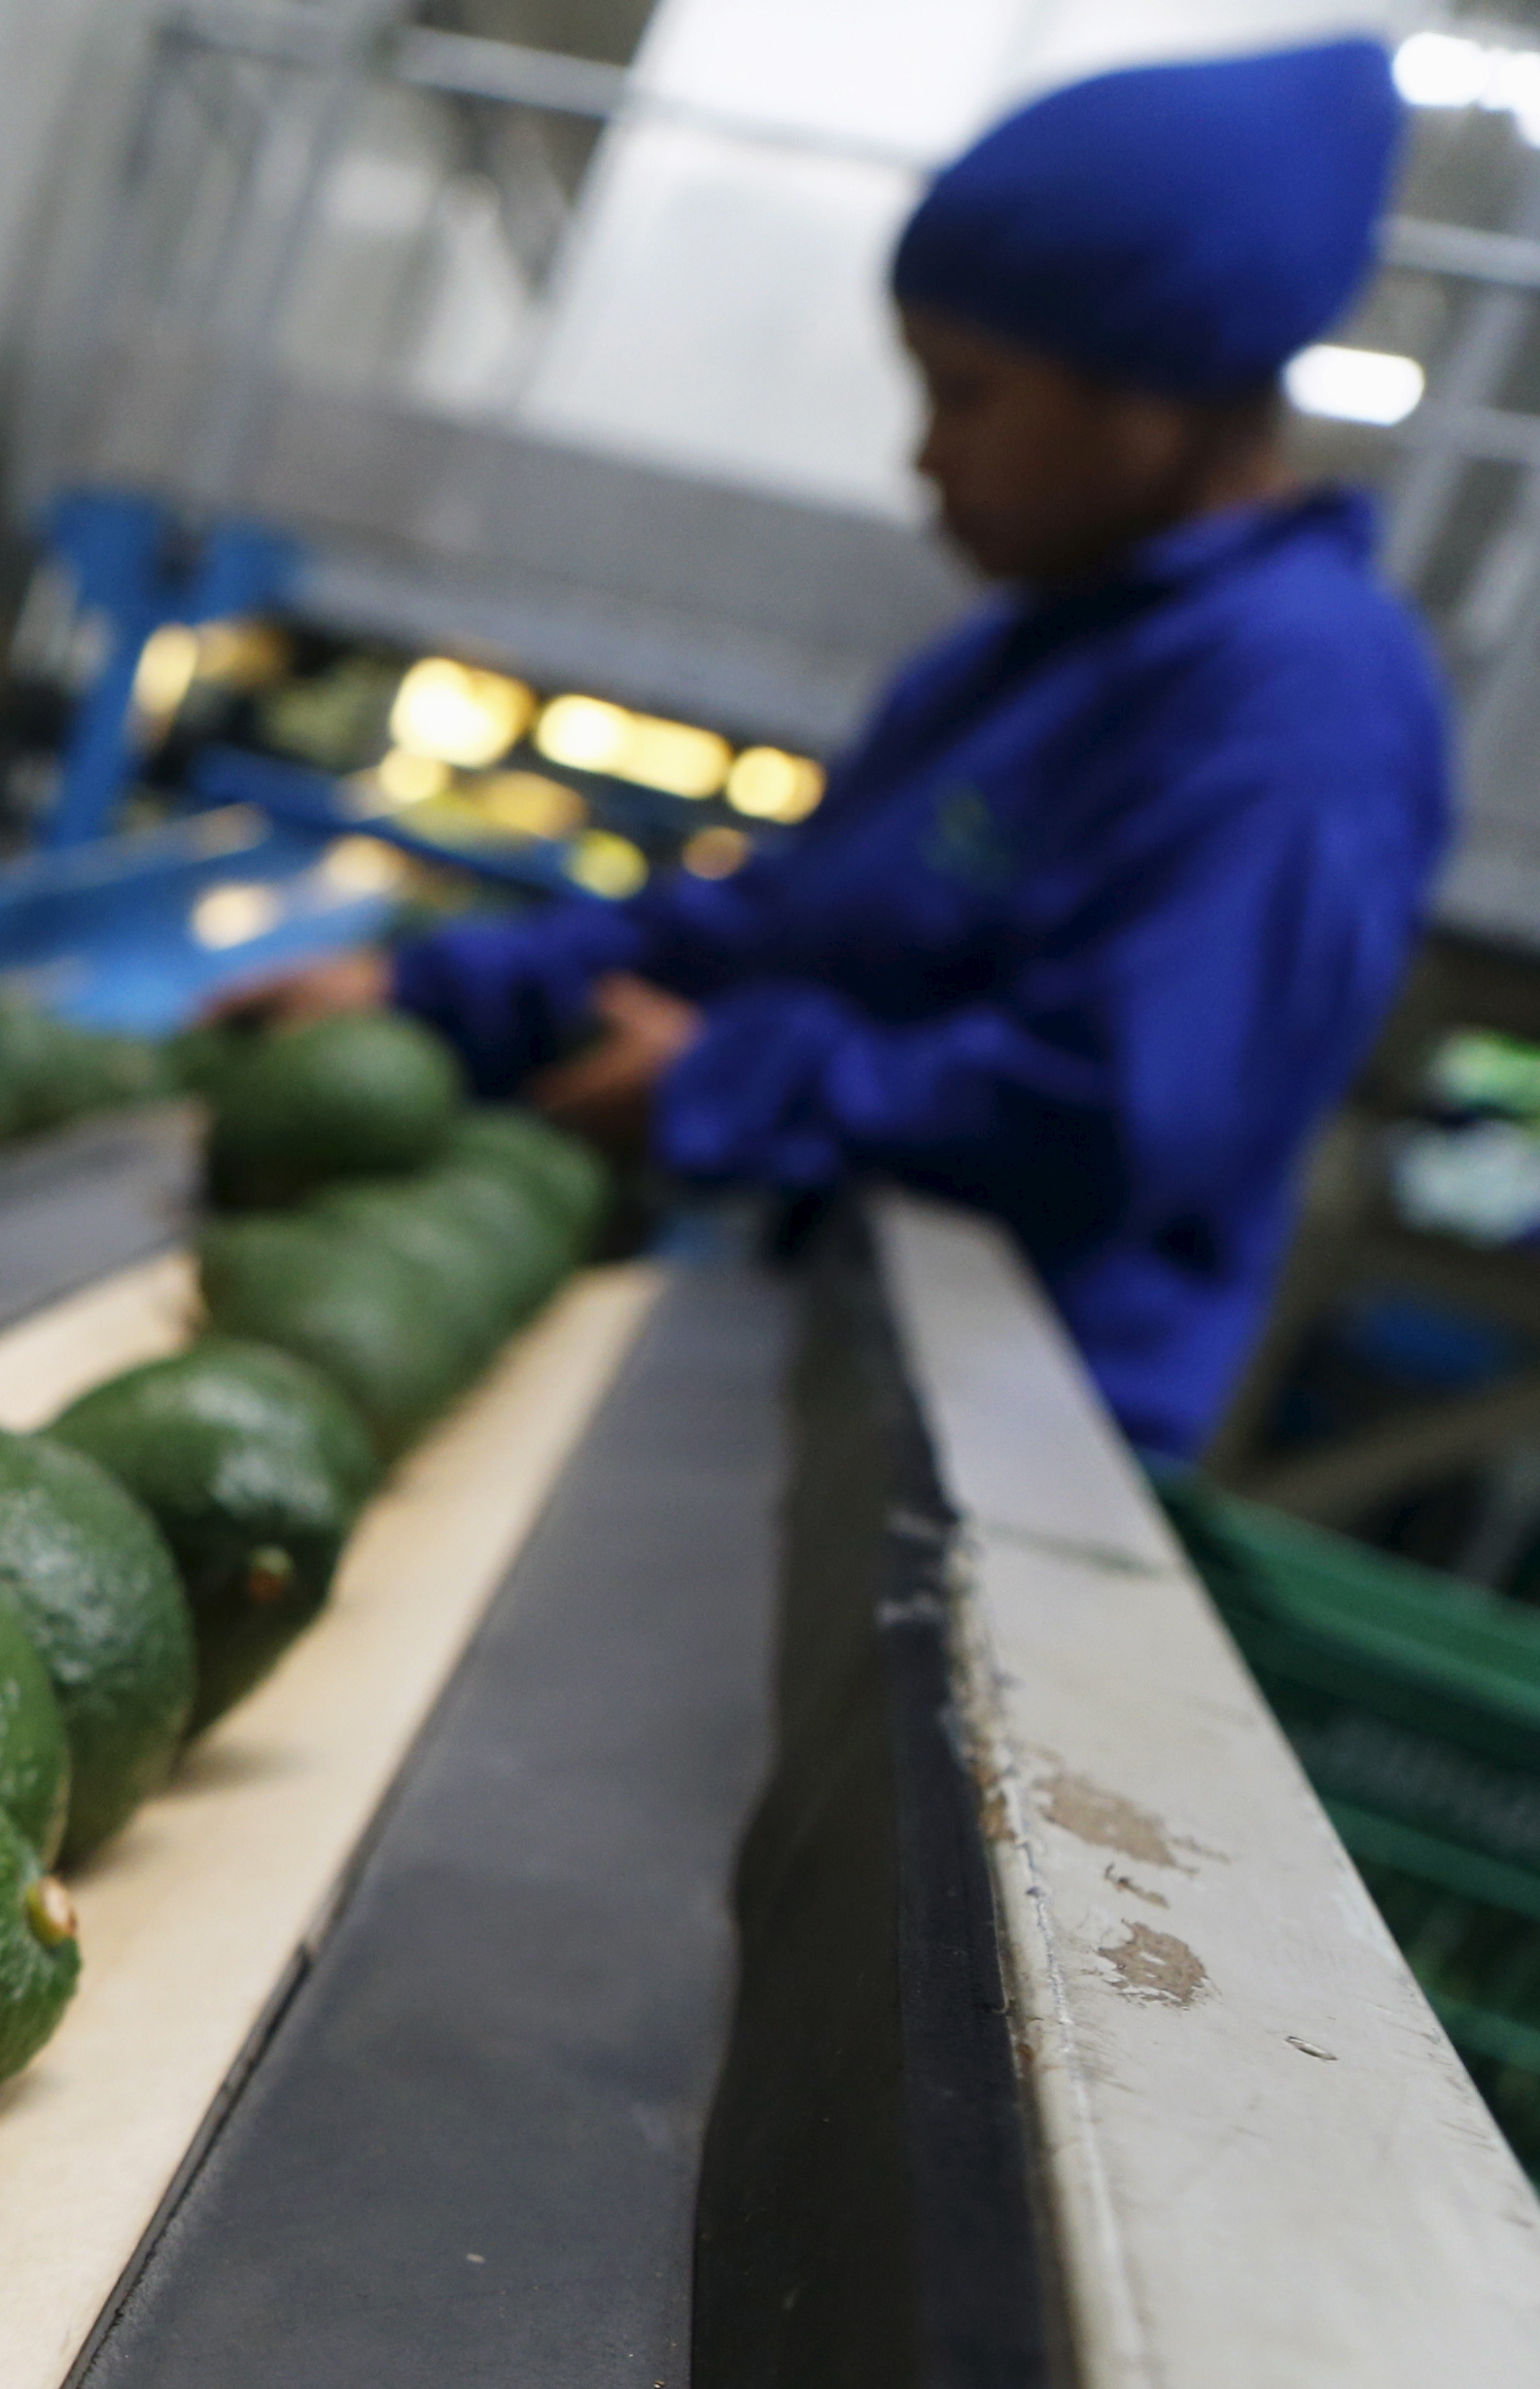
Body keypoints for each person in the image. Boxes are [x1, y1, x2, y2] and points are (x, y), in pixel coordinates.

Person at [229, 36, 1451, 1458]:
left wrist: (728, 1082)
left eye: (968, 393)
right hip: (825, 1353)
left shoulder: (1299, 705)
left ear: (1157, 387)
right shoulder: (1026, 652)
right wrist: (427, 989)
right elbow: (784, 924)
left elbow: (1116, 1113)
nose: (925, 458)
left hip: (1014, 1448)